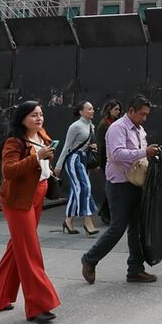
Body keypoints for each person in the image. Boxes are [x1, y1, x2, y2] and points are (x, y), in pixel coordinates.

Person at [0, 101, 61, 324]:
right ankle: (39, 306)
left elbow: (43, 162)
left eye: (41, 114)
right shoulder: (14, 141)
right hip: (18, 200)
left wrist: (46, 159)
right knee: (29, 250)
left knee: (17, 247)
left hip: (37, 195)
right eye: (33, 115)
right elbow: (8, 171)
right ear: (22, 118)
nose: (39, 119)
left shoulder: (42, 135)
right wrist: (36, 157)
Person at [81, 95, 159, 284]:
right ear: (131, 111)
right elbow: (116, 155)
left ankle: (135, 269)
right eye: (142, 114)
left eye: (147, 114)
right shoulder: (117, 128)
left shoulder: (139, 129)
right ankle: (90, 259)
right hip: (119, 185)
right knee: (117, 228)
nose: (144, 118)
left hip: (136, 184)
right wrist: (144, 152)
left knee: (136, 229)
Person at [55, 100, 99, 236]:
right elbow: (67, 146)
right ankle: (87, 221)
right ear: (81, 111)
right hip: (73, 159)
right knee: (84, 187)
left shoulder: (91, 125)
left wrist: (92, 146)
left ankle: (68, 221)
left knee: (77, 191)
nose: (92, 111)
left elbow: (88, 143)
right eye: (89, 109)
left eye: (92, 109)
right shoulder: (75, 126)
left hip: (84, 159)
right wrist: (58, 166)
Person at [94, 99, 122, 225]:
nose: (118, 111)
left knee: (113, 185)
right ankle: (105, 212)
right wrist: (100, 164)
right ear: (109, 110)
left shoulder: (115, 123)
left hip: (114, 159)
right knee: (111, 186)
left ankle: (106, 211)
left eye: (119, 109)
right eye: (115, 109)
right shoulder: (104, 125)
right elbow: (101, 146)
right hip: (107, 160)